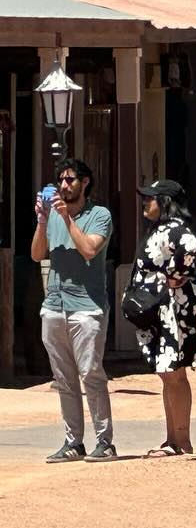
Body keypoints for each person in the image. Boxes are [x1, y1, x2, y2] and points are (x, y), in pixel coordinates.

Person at [30, 157, 116, 463]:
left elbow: (90, 249)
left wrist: (68, 220)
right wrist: (43, 221)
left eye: (70, 180)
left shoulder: (100, 215)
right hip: (54, 305)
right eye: (61, 181)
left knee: (91, 374)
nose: (64, 186)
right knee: (63, 378)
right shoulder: (53, 215)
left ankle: (105, 442)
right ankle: (73, 442)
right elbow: (38, 254)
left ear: (85, 182)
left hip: (87, 307)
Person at [131, 179, 196, 457]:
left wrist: (172, 278)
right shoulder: (158, 230)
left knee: (174, 374)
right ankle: (172, 438)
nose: (144, 203)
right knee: (166, 374)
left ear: (165, 202)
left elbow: (190, 246)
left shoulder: (176, 230)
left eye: (150, 198)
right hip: (160, 311)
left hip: (175, 311)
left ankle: (181, 441)